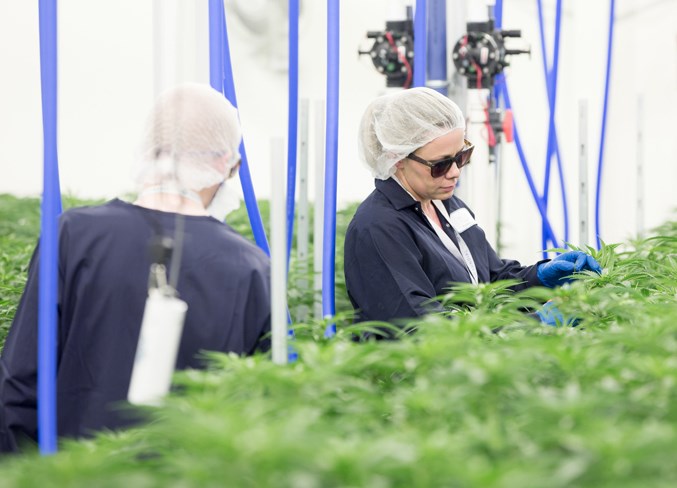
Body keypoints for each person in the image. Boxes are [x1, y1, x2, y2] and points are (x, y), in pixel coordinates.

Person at [0, 83, 271, 452]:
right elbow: (262, 409)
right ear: (230, 166)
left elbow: (19, 381)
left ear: (148, 149)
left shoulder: (75, 234)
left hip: (76, 473)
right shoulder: (252, 268)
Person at [344, 87, 601, 325]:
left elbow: (490, 281)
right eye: (440, 164)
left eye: (461, 156)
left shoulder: (446, 204)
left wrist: (541, 278)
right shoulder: (379, 227)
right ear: (397, 159)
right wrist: (535, 324)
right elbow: (421, 329)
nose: (455, 172)